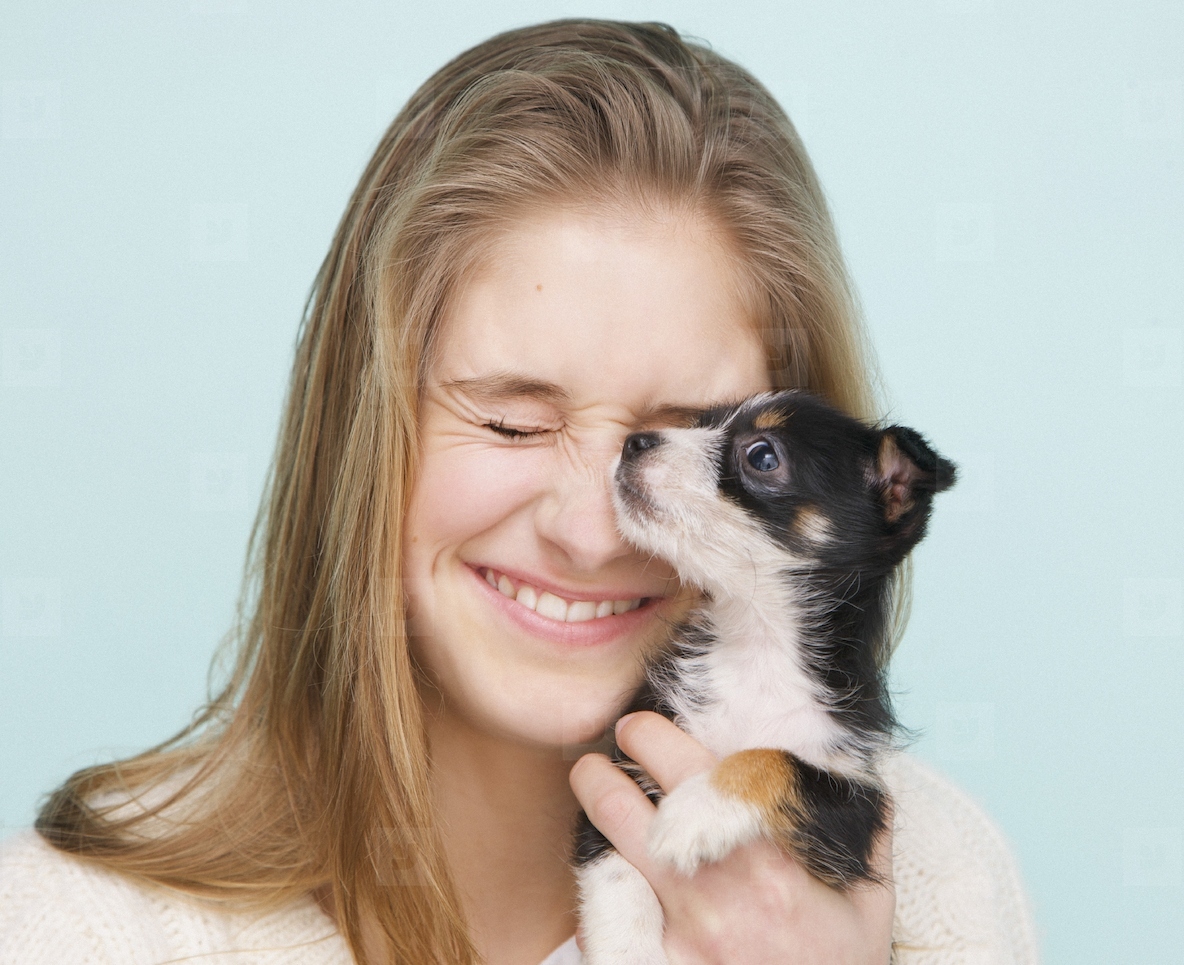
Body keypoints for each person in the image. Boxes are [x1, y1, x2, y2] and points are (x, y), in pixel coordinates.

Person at [0, 19, 1038, 965]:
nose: (592, 530)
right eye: (509, 421)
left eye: (687, 436)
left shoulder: (932, 884)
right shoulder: (80, 927)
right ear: (365, 433)